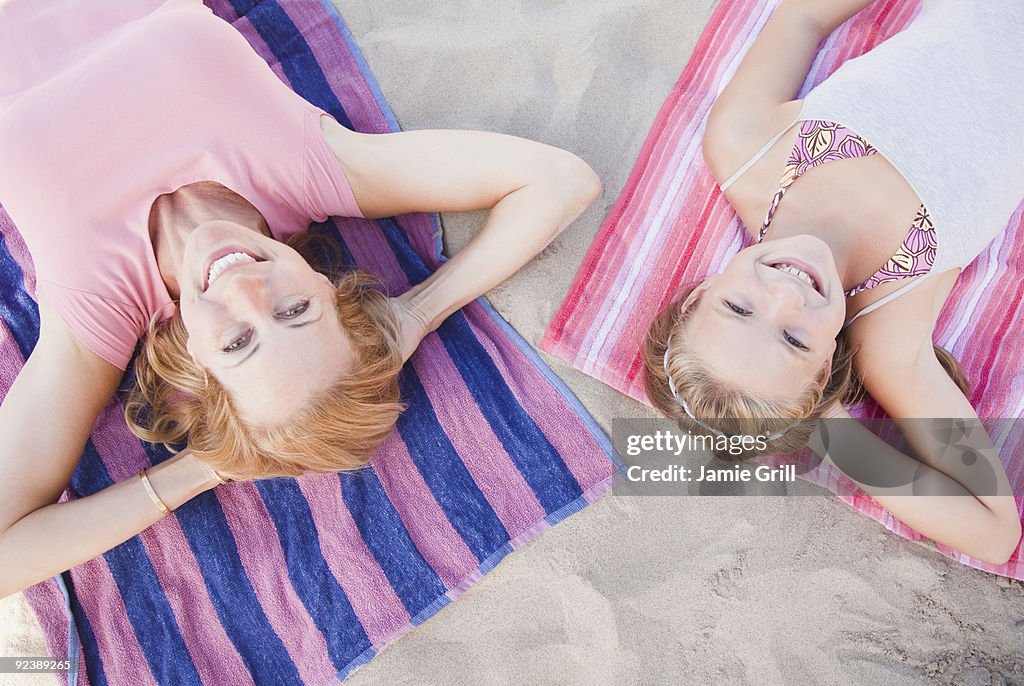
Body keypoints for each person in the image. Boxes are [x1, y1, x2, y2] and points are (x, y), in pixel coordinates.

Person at [0, 0, 600, 598]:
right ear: (332, 291)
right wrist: (416, 311)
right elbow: (561, 181)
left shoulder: (98, 310)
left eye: (238, 343)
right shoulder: (308, 169)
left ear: (197, 367)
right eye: (295, 312)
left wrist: (205, 466)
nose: (247, 292)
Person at [643, 0, 1022, 563]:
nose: (787, 296)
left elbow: (803, 17)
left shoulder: (744, 148)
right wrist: (824, 429)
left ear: (701, 293)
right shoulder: (889, 333)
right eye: (795, 340)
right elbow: (994, 534)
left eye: (739, 309)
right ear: (824, 371)